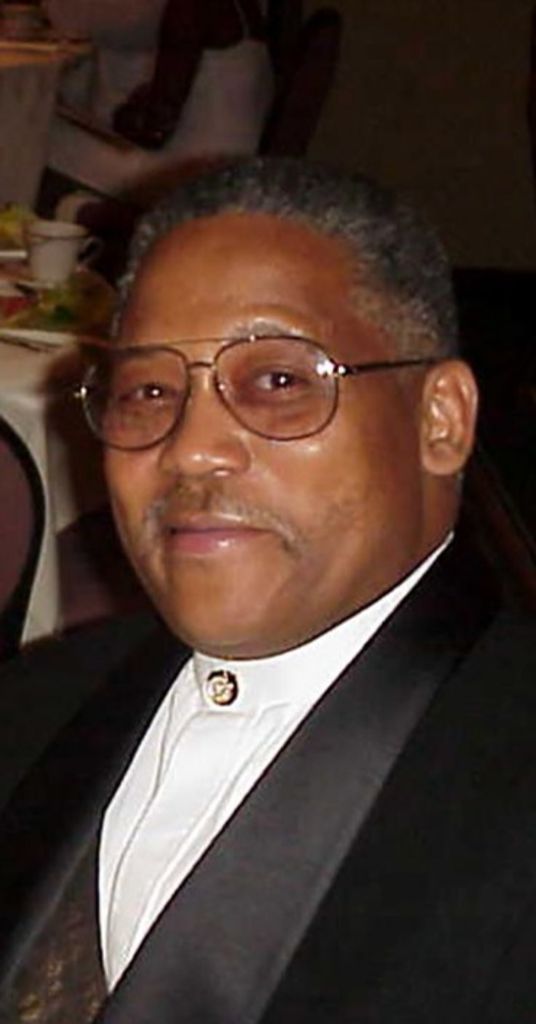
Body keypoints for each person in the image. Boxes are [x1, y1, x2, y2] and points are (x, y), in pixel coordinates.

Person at [0, 157, 535, 1024]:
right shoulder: (39, 701)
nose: (189, 448)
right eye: (148, 390)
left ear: (440, 419)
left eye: (280, 382)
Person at [43, 0, 273, 202]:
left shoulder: (190, 7)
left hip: (182, 177)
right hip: (233, 174)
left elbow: (154, 130)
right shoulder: (250, 11)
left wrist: (123, 114)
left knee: (44, 132)